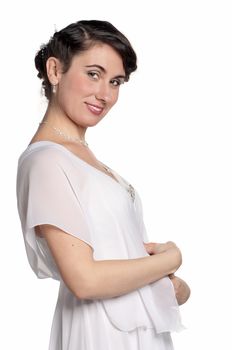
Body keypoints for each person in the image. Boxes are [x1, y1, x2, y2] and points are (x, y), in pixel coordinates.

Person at [16, 20, 190, 350]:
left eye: (116, 81)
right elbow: (84, 279)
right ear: (55, 70)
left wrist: (174, 287)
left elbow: (120, 257)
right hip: (99, 334)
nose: (106, 94)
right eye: (93, 74)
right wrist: (170, 259)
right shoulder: (46, 161)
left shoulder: (85, 159)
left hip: (139, 331)